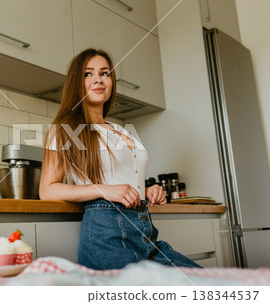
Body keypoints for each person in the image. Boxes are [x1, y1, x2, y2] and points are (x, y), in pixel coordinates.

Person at [39, 48, 202, 270]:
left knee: (204, 283)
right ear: (76, 82)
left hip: (145, 234)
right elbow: (48, 191)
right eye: (88, 74)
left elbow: (121, 179)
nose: (98, 79)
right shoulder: (66, 129)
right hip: (107, 236)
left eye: (104, 73)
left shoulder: (121, 130)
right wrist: (105, 189)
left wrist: (144, 190)